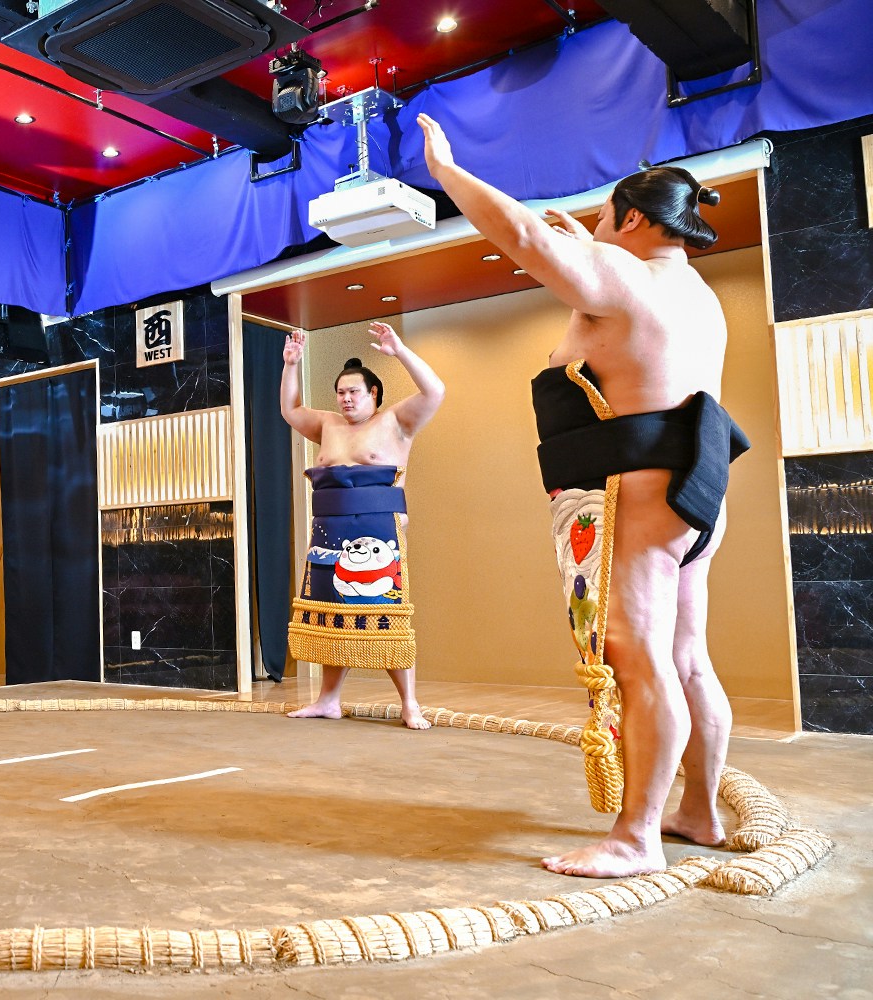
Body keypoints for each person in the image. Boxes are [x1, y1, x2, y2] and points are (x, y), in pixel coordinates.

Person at [418, 113, 748, 878]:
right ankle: (695, 811)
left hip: (640, 491)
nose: (592, 233)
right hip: (696, 489)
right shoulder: (693, 290)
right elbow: (603, 289)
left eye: (604, 220)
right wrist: (591, 241)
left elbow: (529, 243)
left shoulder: (624, 278)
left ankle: (637, 838)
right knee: (688, 656)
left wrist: (448, 173)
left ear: (632, 218)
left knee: (639, 659)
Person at [282, 321, 445, 729]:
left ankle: (410, 703)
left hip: (378, 531)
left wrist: (401, 351)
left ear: (373, 393)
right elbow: (290, 410)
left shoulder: (397, 420)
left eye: (353, 392)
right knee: (334, 610)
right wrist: (291, 364)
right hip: (328, 529)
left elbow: (435, 391)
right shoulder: (328, 425)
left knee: (382, 612)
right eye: (340, 393)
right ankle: (328, 699)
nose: (345, 400)